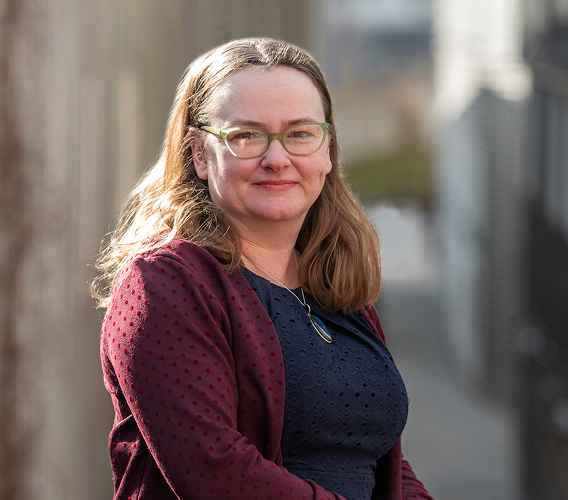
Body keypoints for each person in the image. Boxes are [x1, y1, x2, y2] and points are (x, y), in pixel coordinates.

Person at [94, 37, 434, 500]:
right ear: (198, 154)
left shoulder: (336, 288)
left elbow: (381, 458)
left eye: (300, 134)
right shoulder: (164, 284)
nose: (277, 160)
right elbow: (215, 471)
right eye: (246, 136)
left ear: (327, 150)